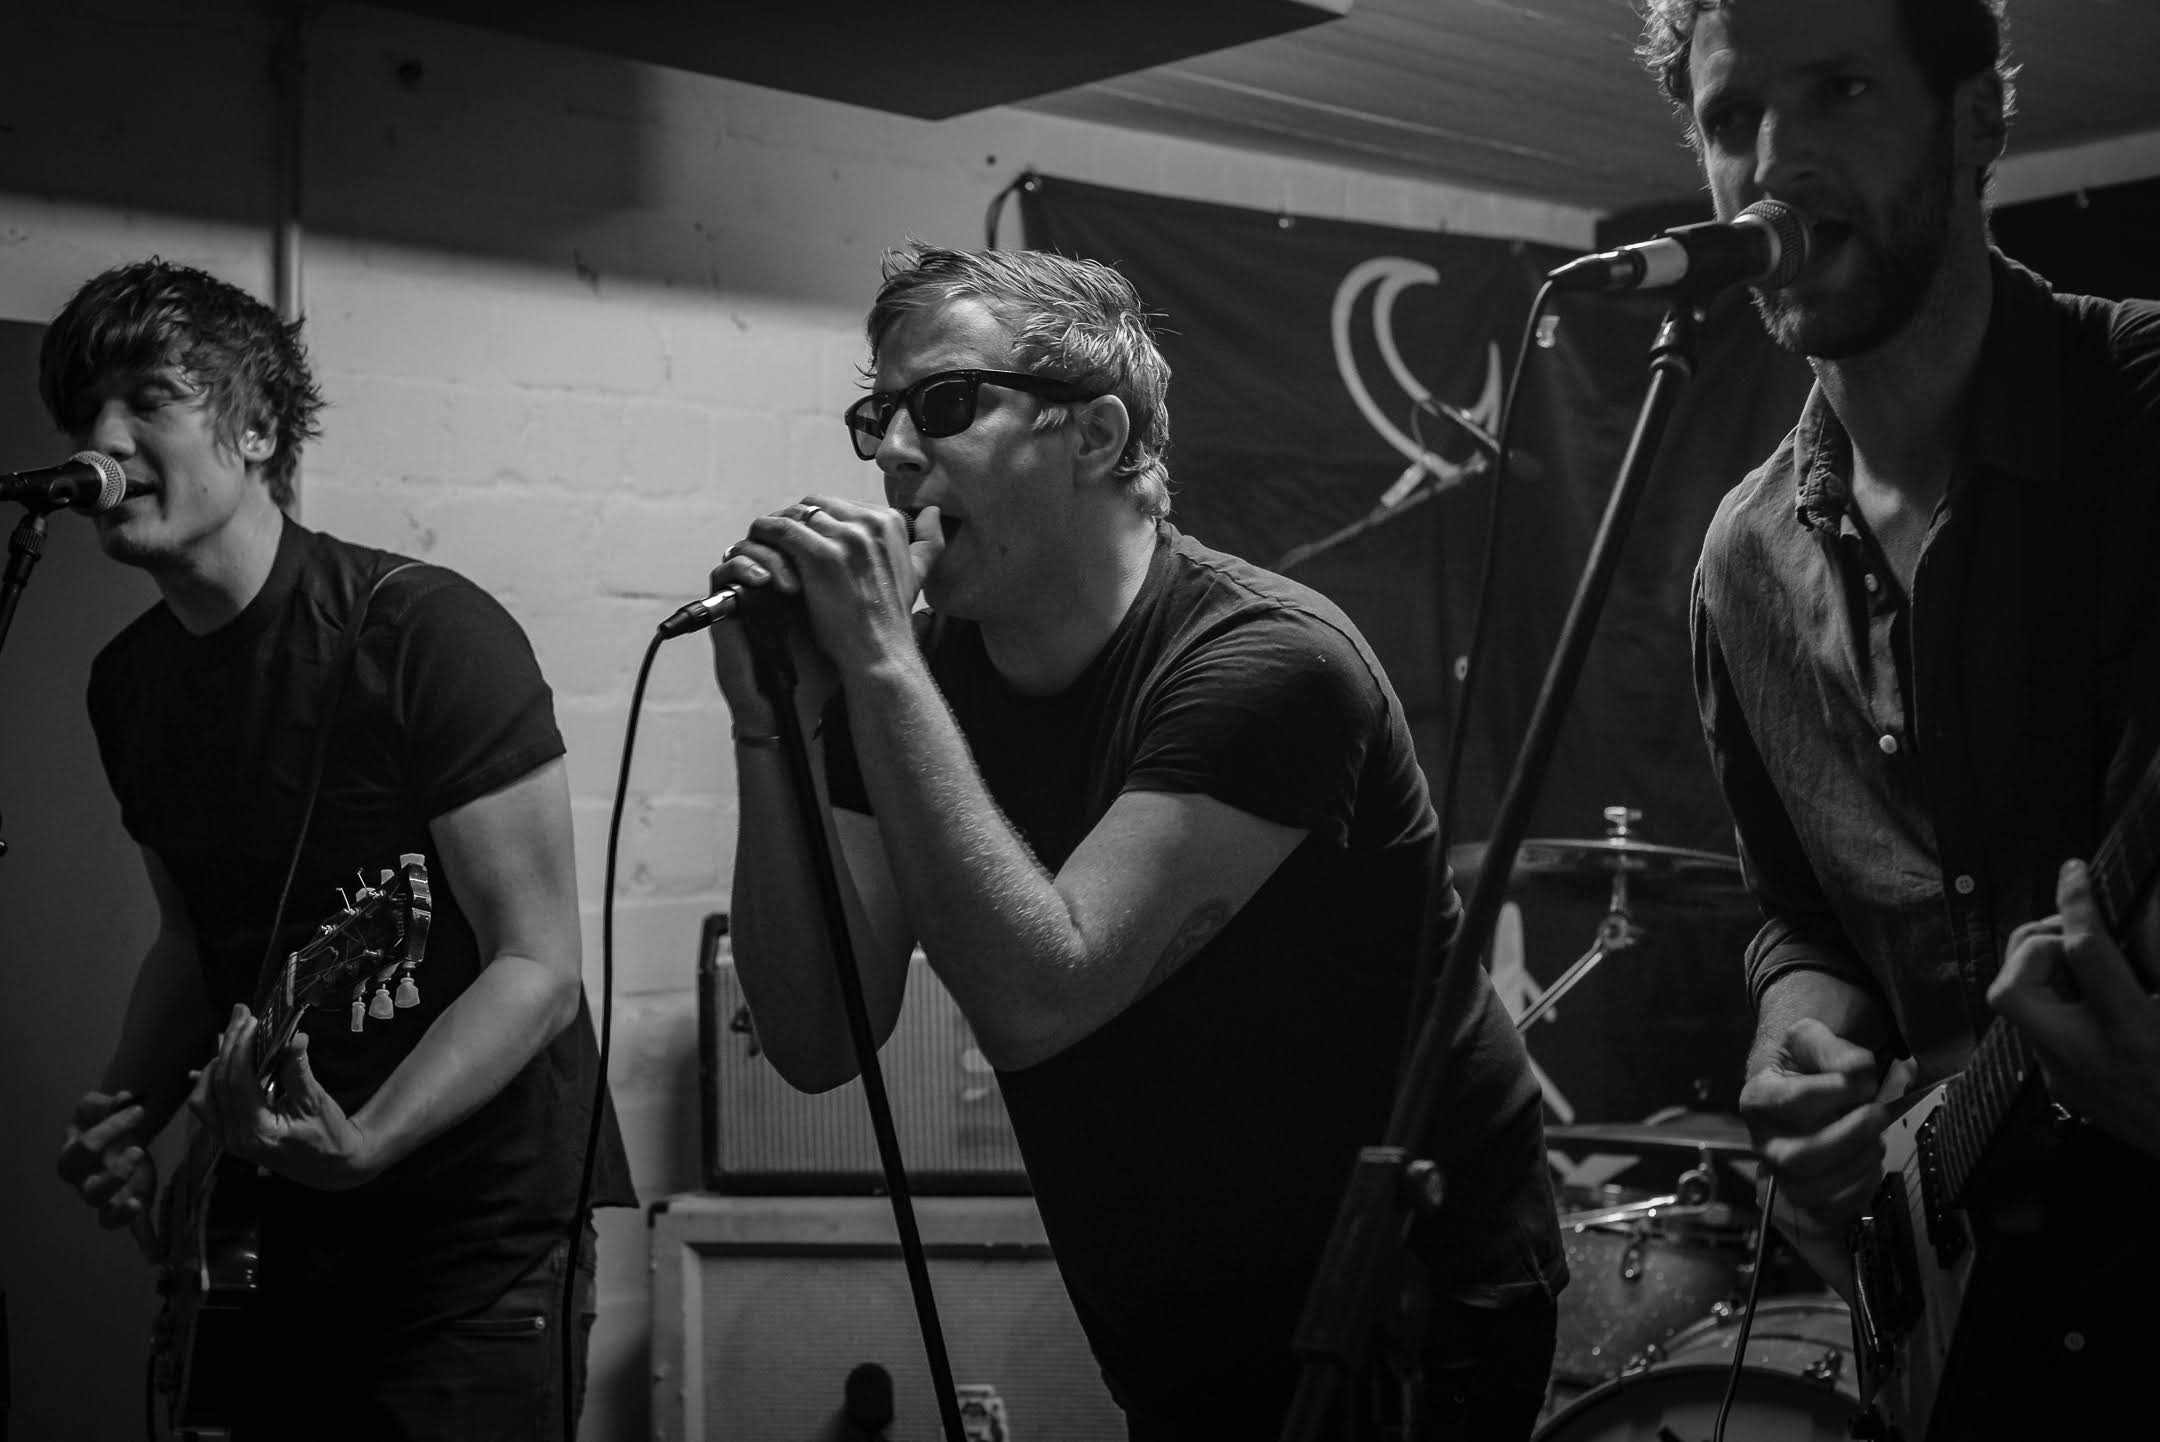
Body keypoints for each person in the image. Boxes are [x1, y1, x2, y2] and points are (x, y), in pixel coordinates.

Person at [708, 242, 1565, 1439]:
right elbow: (812, 1040)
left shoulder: (1269, 663)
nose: (893, 453)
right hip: (1172, 1307)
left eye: (944, 403)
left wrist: (880, 667)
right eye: (878, 415)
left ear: (1099, 435)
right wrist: (773, 724)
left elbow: (1039, 996)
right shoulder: (904, 678)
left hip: (1407, 1310)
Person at [1650, 0, 2160, 1432]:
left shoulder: (2139, 417)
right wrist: (1796, 1047)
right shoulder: (1745, 559)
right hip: (1971, 1333)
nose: (1772, 162)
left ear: (1978, 117)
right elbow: (1802, 916)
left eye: (1842, 90)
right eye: (1731, 117)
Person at [46, 259, 636, 1441]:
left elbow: (538, 965)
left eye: (149, 399)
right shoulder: (128, 685)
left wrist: (367, 1143)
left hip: (473, 1245)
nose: (103, 439)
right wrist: (129, 1107)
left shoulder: (425, 631)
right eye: (86, 411)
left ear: (257, 428)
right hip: (276, 1231)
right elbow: (192, 939)